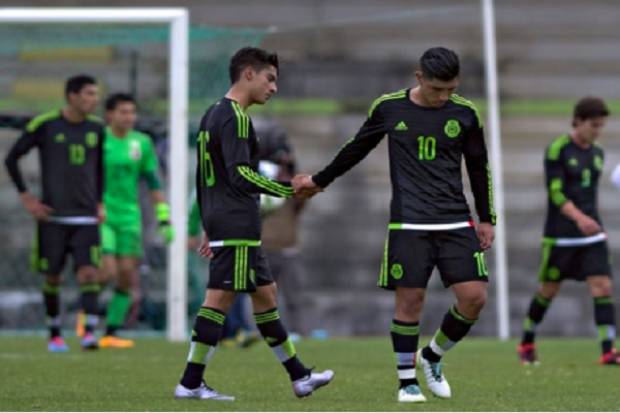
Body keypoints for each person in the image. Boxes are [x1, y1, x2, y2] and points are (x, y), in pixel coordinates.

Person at [293, 47, 495, 403]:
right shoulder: (389, 107)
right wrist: (320, 181)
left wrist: (487, 219)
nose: (443, 96)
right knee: (411, 300)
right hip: (409, 222)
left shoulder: (465, 113)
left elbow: (479, 167)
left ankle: (432, 356)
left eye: (450, 89)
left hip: (455, 219)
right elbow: (357, 147)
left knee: (474, 298)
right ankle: (407, 382)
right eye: (437, 89)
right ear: (419, 78)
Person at [173, 46, 334, 401]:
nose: (274, 87)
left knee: (265, 295)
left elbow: (205, 178)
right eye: (270, 78)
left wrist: (207, 223)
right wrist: (287, 188)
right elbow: (241, 174)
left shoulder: (214, 113)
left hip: (226, 220)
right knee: (219, 299)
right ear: (248, 73)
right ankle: (190, 382)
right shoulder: (235, 117)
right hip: (236, 221)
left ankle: (300, 376)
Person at [4, 74, 105, 352]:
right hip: (53, 217)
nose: (94, 100)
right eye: (89, 94)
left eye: (95, 94)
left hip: (86, 216)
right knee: (53, 277)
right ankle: (55, 333)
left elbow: (99, 168)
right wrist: (28, 198)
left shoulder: (97, 128)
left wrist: (100, 202)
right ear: (72, 96)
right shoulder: (46, 125)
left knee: (88, 273)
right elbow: (12, 158)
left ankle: (89, 334)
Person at [517, 97, 620, 365]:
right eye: (593, 125)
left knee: (603, 286)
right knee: (549, 290)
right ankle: (527, 342)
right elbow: (555, 193)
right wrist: (579, 218)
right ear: (578, 121)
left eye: (601, 125)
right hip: (561, 235)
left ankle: (608, 350)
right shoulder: (558, 150)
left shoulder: (597, 153)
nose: (597, 131)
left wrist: (590, 222)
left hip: (592, 234)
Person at [94, 93, 174, 348]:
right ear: (109, 115)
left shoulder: (141, 143)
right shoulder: (98, 139)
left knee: (127, 276)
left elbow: (152, 181)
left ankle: (110, 333)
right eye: (123, 112)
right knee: (107, 271)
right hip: (101, 214)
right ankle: (87, 320)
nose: (129, 117)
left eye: (132, 112)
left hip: (130, 216)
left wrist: (164, 217)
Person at [257, 120, 306, 337]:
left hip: (287, 245)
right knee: (264, 295)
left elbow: (301, 203)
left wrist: (289, 174)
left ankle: (297, 330)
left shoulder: (290, 176)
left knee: (294, 295)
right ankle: (262, 333)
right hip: (264, 244)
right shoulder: (258, 173)